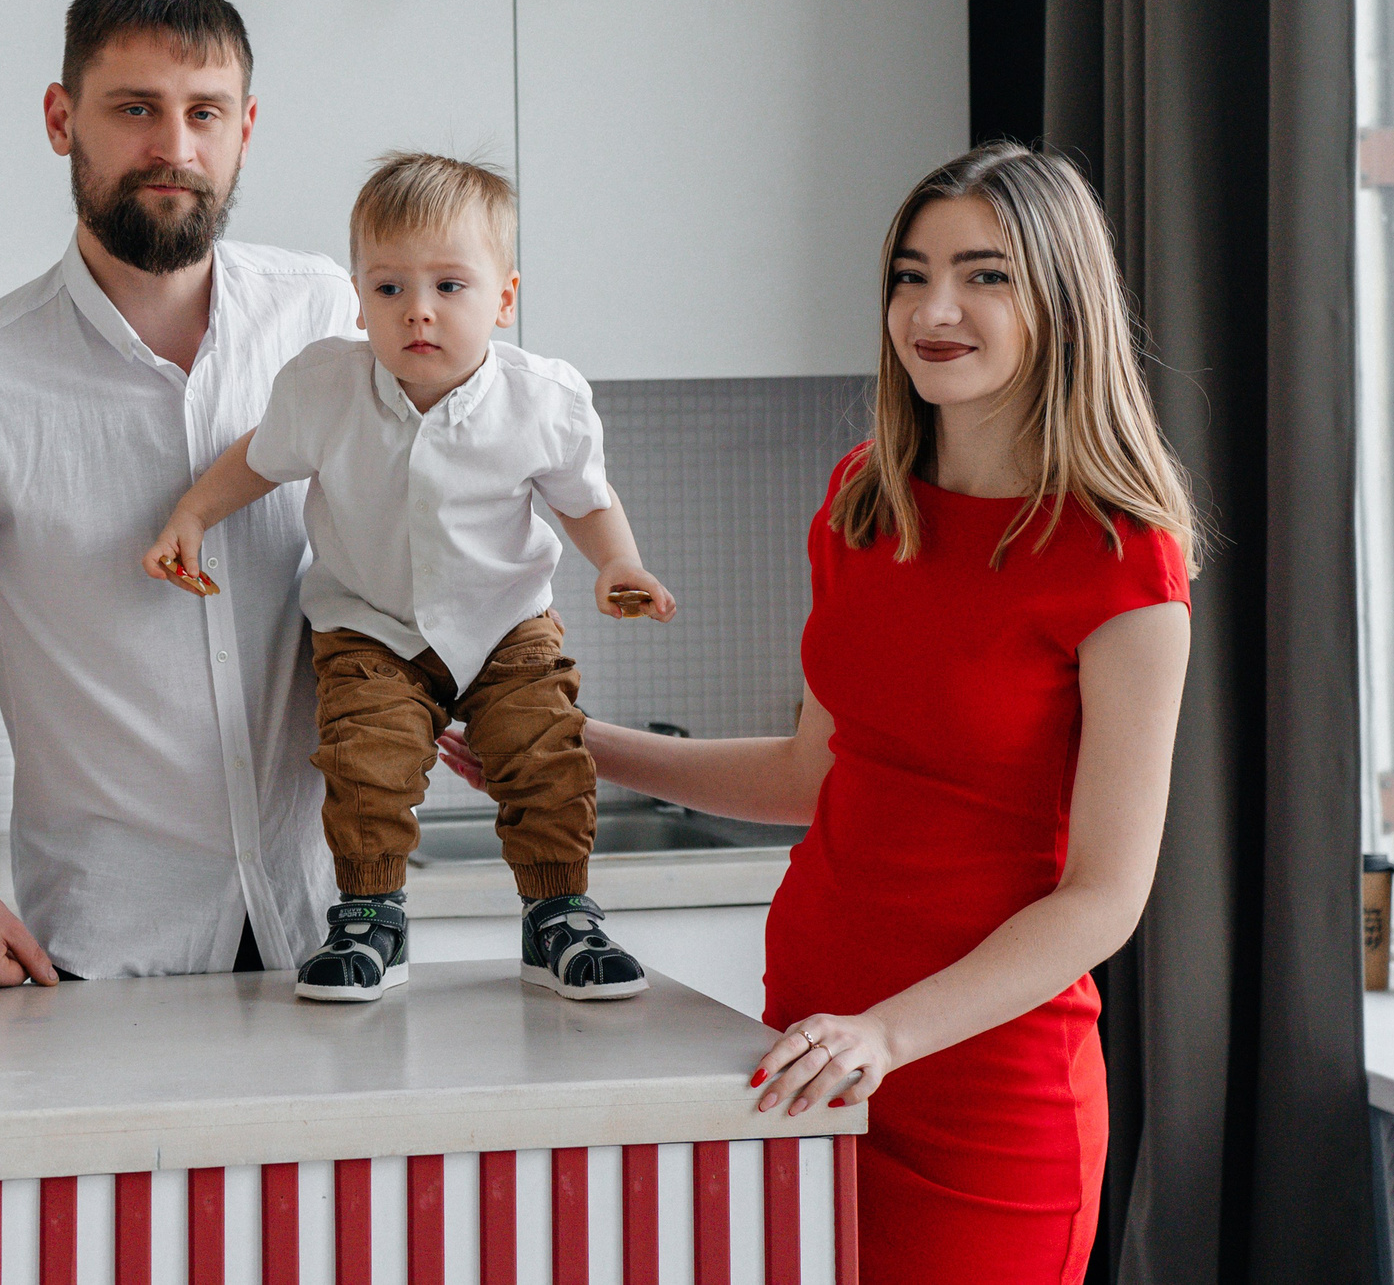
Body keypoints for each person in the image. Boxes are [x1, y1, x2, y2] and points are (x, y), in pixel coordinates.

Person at [444, 141, 1193, 1282]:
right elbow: (814, 773)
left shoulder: (1120, 560)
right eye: (910, 275)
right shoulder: (862, 501)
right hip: (803, 1048)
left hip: (981, 1099)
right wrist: (576, 749)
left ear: (1060, 300)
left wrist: (887, 1032)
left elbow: (1104, 896)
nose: (934, 310)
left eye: (984, 276)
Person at [0, 0, 355, 987]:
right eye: (135, 109)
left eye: (205, 113)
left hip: (339, 933)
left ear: (245, 129)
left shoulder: (330, 316)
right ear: (63, 120)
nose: (175, 148)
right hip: (108, 963)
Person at [145, 153, 678, 1003]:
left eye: (450, 286)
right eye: (389, 287)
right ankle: (370, 918)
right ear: (358, 300)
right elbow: (259, 458)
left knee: (547, 756)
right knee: (366, 765)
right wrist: (194, 512)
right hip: (370, 625)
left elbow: (585, 497)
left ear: (504, 297)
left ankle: (560, 914)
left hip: (506, 625)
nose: (417, 310)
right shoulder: (326, 386)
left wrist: (618, 560)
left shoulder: (542, 399)